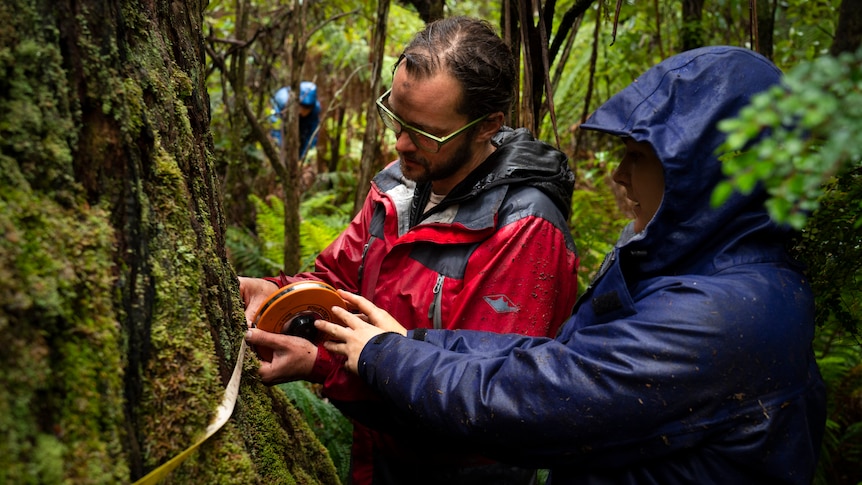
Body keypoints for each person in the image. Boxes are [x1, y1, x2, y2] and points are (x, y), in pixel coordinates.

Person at [310, 45, 827, 484]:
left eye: (639, 158)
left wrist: (382, 358)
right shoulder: (702, 273)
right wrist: (410, 344)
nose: (620, 177)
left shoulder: (728, 314)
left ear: (706, 174)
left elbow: (546, 397)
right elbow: (550, 358)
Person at [242, 16, 579, 485]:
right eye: (396, 119)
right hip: (379, 454)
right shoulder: (401, 186)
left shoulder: (525, 233)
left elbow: (488, 400)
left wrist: (324, 367)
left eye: (425, 132)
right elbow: (337, 281)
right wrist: (276, 292)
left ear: (488, 127)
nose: (400, 143)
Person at [270, 80, 321, 159]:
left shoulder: (315, 110)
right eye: (303, 107)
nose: (304, 111)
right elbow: (276, 128)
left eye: (308, 108)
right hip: (285, 123)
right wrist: (280, 148)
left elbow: (312, 133)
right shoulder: (283, 103)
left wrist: (304, 155)